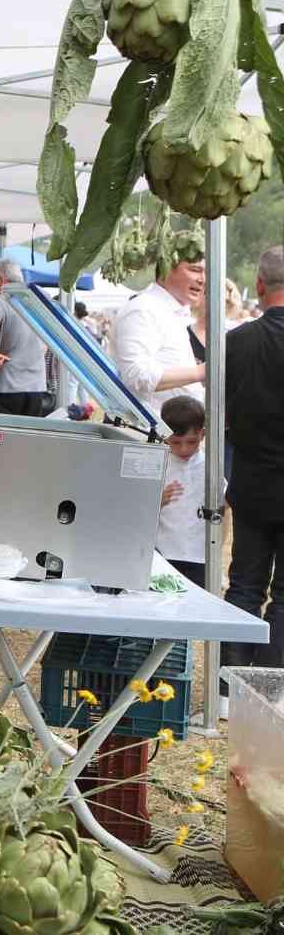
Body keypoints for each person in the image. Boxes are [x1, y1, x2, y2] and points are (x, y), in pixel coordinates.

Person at [222, 245, 284, 684]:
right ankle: (272, 684)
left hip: (251, 482)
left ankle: (230, 684)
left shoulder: (236, 342)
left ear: (259, 287)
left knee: (244, 584)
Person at [111, 250, 205, 414]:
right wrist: (201, 372)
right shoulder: (143, 310)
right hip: (150, 434)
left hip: (172, 432)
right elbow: (137, 376)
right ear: (166, 269)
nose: (202, 279)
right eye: (194, 270)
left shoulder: (169, 312)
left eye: (205, 272)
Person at [155, 396, 215, 586]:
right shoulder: (156, 464)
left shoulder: (210, 467)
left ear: (202, 434)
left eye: (191, 442)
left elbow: (223, 511)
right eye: (176, 442)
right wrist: (156, 500)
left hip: (199, 558)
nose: (184, 449)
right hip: (162, 554)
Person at [0, 258, 49, 417]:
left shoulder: (0, 300)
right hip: (36, 388)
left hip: (5, 388)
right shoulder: (40, 299)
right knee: (27, 439)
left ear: (1, 280)